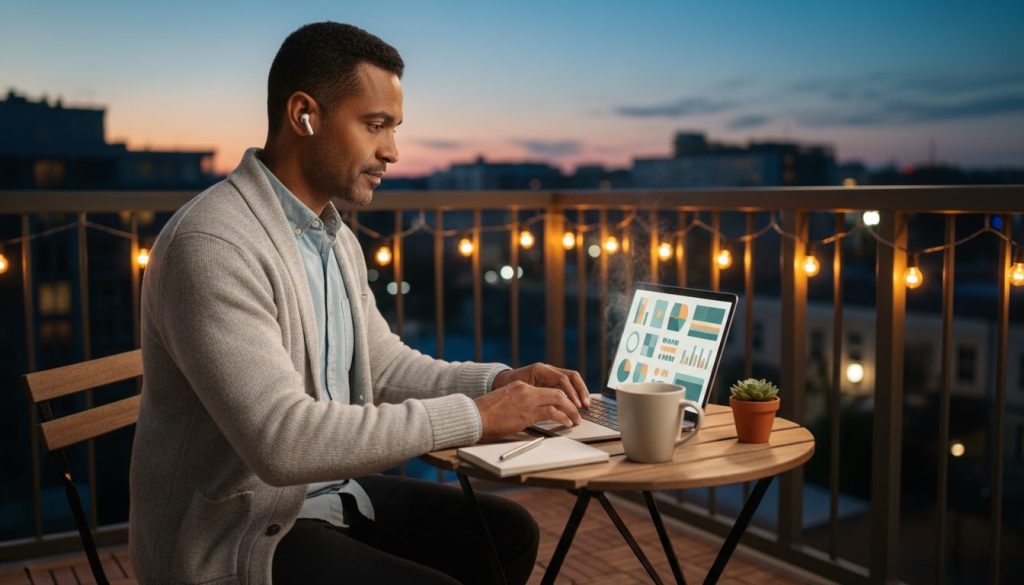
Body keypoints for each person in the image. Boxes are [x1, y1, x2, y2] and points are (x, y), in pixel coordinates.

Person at [128, 21, 591, 585]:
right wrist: (475, 418)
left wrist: (497, 383)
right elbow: (282, 440)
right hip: (238, 534)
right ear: (305, 115)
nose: (391, 151)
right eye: (375, 125)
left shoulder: (333, 237)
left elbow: (384, 366)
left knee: (507, 533)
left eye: (394, 128)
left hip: (325, 497)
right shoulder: (214, 244)